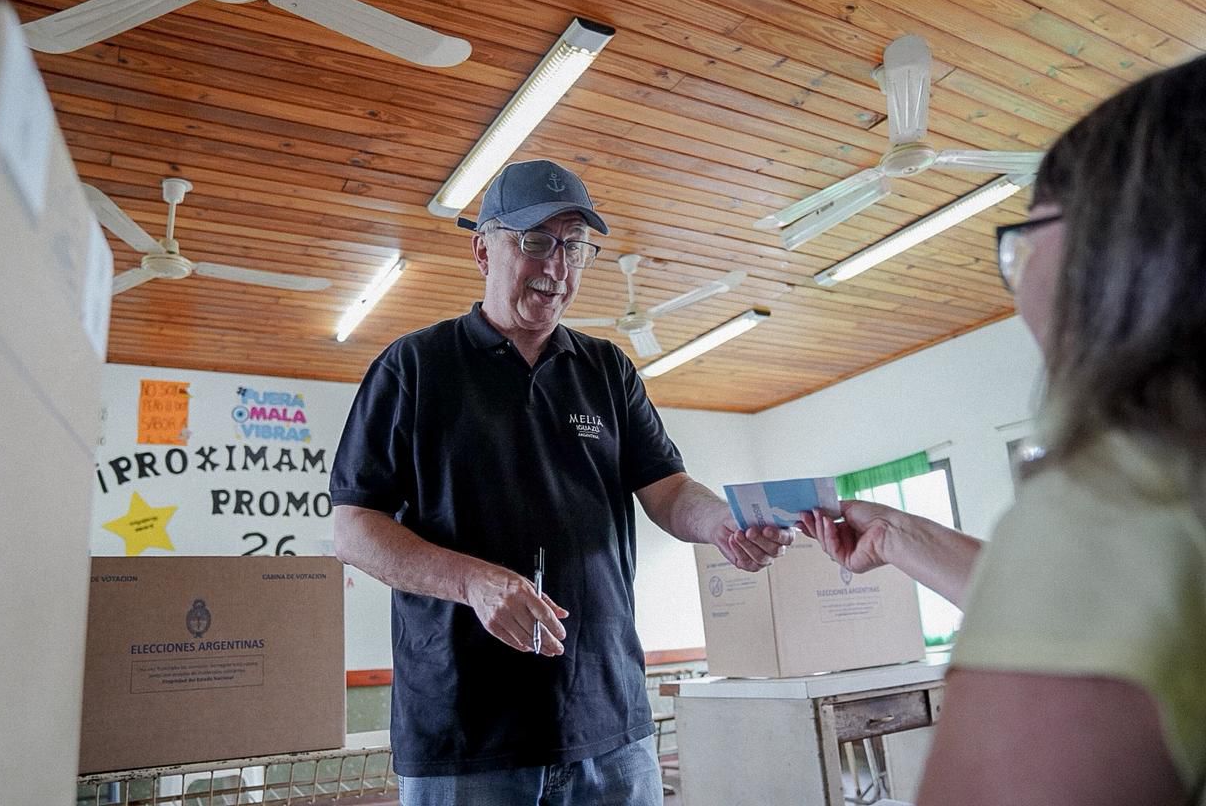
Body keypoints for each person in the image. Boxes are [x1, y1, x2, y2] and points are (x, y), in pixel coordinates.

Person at [802, 56, 1206, 805]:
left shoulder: (1119, 499)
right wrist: (895, 534)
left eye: (1029, 229)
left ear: (1121, 246)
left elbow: (1093, 586)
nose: (1016, 270)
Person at [330, 159, 791, 805]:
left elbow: (668, 487)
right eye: (535, 240)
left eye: (575, 245)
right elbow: (354, 529)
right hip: (466, 734)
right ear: (482, 249)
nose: (557, 266)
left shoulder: (606, 369)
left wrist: (721, 525)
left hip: (609, 723)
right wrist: (474, 582)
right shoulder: (415, 367)